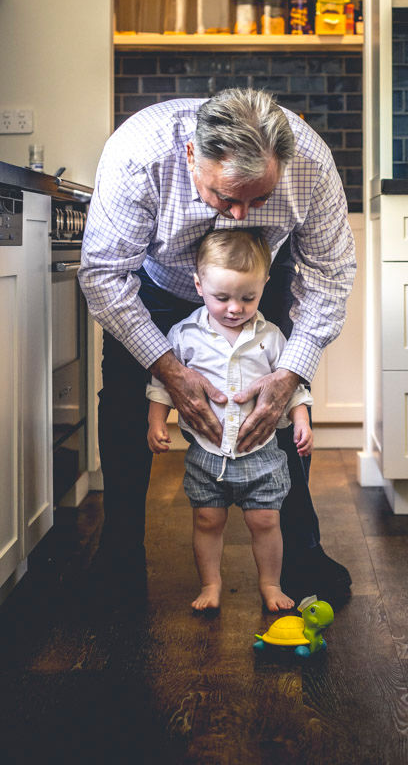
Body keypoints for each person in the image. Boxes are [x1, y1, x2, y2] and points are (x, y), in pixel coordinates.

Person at [79, 88, 356, 606]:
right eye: (225, 197)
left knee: (273, 405)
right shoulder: (141, 153)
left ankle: (302, 552)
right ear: (191, 157)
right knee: (123, 402)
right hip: (154, 285)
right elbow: (104, 275)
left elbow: (330, 278)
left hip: (256, 283)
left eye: (259, 200)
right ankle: (118, 554)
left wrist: (291, 373)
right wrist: (169, 370)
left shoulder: (311, 164)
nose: (238, 216)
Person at [147, 229, 313, 613]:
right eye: (222, 297)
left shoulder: (270, 337)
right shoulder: (185, 335)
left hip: (262, 455)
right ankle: (211, 583)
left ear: (264, 286)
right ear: (198, 285)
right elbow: (162, 383)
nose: (235, 308)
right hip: (207, 454)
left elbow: (293, 387)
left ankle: (270, 584)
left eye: (247, 297)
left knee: (266, 521)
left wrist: (301, 419)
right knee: (207, 519)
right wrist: (157, 421)